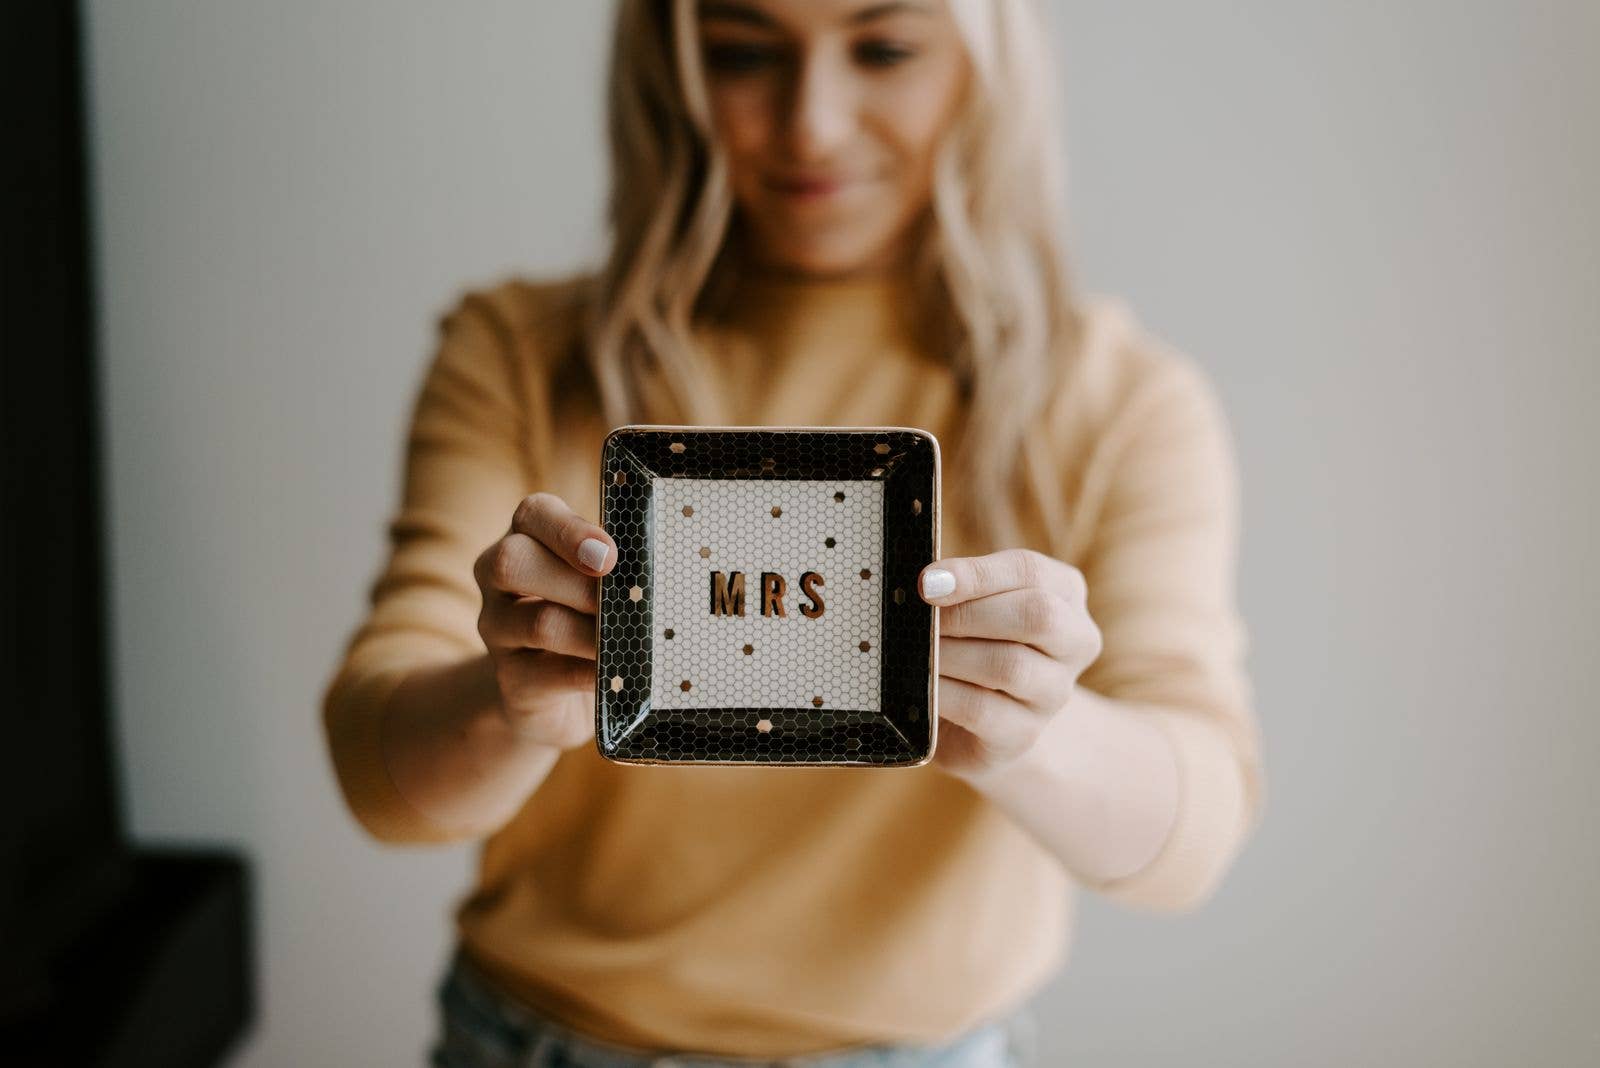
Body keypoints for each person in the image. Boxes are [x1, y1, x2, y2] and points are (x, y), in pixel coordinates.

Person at [320, 0, 1266, 1065]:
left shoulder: (1118, 401)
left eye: (884, 49)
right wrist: (508, 704)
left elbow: (1194, 833)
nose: (811, 125)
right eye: (743, 54)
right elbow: (375, 770)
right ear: (667, 70)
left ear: (989, 69)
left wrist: (1033, 730)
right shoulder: (515, 353)